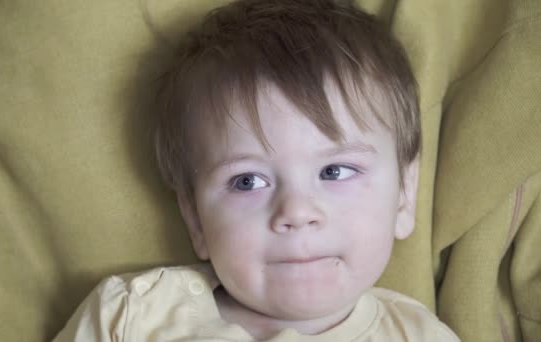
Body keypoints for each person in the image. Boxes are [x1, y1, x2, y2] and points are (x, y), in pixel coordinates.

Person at [54, 0, 459, 340]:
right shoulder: (133, 315)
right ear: (194, 217)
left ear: (405, 195)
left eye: (335, 171)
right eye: (248, 181)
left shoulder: (418, 335)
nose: (297, 213)